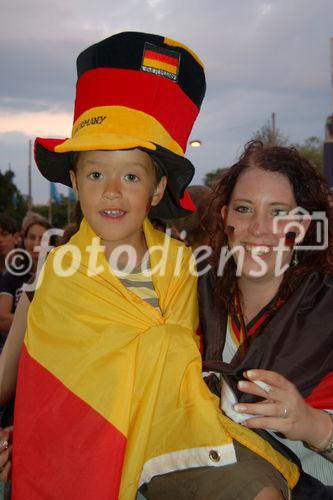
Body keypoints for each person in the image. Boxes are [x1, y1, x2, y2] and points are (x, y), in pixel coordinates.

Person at [7, 33, 300, 499]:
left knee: (262, 491)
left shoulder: (188, 266)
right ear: (75, 184)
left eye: (131, 175)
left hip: (170, 430)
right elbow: (13, 372)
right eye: (96, 173)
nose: (112, 191)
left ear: (158, 190)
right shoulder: (55, 271)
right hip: (78, 440)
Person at [198, 140, 333, 497]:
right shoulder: (190, 298)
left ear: (302, 227)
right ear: (225, 218)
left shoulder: (327, 311)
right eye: (244, 209)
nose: (259, 228)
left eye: (277, 213)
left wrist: (311, 424)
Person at [0, 215, 51, 346]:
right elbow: (2, 318)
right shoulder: (12, 274)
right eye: (32, 237)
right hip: (15, 347)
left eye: (43, 239)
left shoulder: (60, 275)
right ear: (24, 240)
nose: (36, 243)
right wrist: (42, 322)